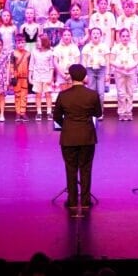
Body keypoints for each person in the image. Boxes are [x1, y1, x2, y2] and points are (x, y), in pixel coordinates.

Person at [52, 63, 103, 216]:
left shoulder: (63, 95)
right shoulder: (92, 95)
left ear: (71, 77)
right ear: (84, 76)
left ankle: (72, 200)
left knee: (71, 168)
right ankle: (86, 200)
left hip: (68, 137)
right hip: (87, 136)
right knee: (86, 169)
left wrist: (66, 125)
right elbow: (98, 113)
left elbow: (56, 117)